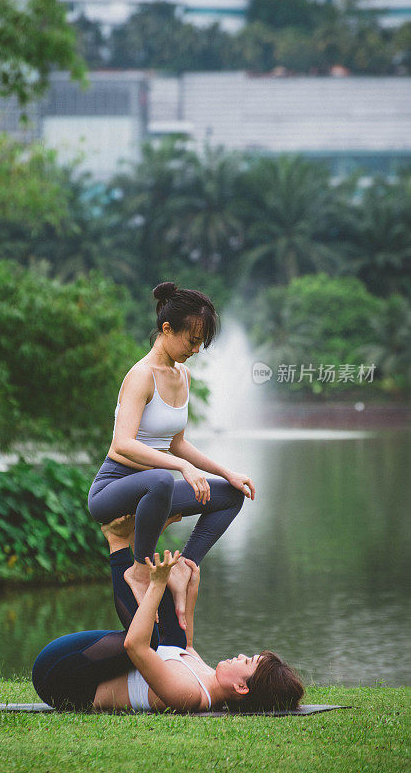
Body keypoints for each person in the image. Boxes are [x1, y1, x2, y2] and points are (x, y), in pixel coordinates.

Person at [88, 281, 256, 629]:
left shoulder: (183, 376)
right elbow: (122, 444)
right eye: (192, 341)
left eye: (201, 344)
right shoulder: (140, 376)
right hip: (112, 488)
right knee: (162, 479)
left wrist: (227, 473)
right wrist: (182, 467)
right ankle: (139, 569)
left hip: (156, 486)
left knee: (230, 495)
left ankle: (185, 567)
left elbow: (178, 443)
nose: (195, 350)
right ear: (167, 329)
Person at [32, 516, 304, 714]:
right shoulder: (208, 680)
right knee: (173, 640)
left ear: (242, 688)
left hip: (60, 678)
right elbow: (185, 645)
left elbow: (135, 646)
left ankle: (118, 543)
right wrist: (190, 590)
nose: (241, 655)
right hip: (81, 665)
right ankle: (145, 532)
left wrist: (158, 583)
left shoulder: (189, 696)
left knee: (149, 641)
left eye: (248, 662)